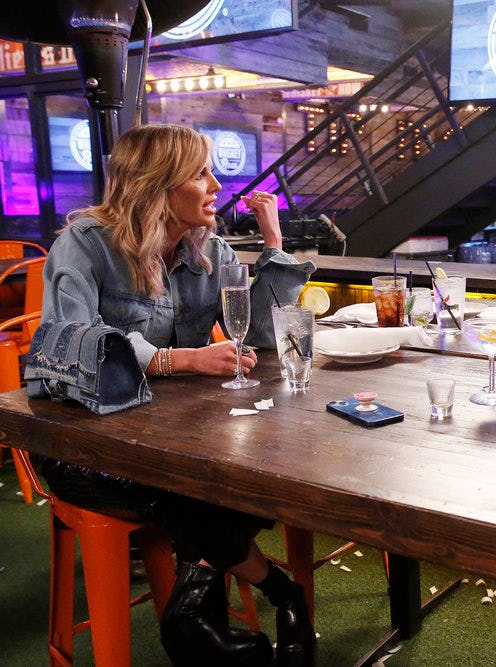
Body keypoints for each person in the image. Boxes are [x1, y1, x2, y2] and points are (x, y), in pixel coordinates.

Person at [38, 124, 317, 667]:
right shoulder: (86, 245)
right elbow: (71, 346)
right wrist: (178, 359)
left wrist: (275, 245)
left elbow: (261, 334)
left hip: (172, 436)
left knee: (250, 468)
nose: (216, 185)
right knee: (198, 488)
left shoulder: (207, 248)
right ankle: (281, 592)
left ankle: (191, 617)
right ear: (156, 184)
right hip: (82, 445)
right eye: (200, 173)